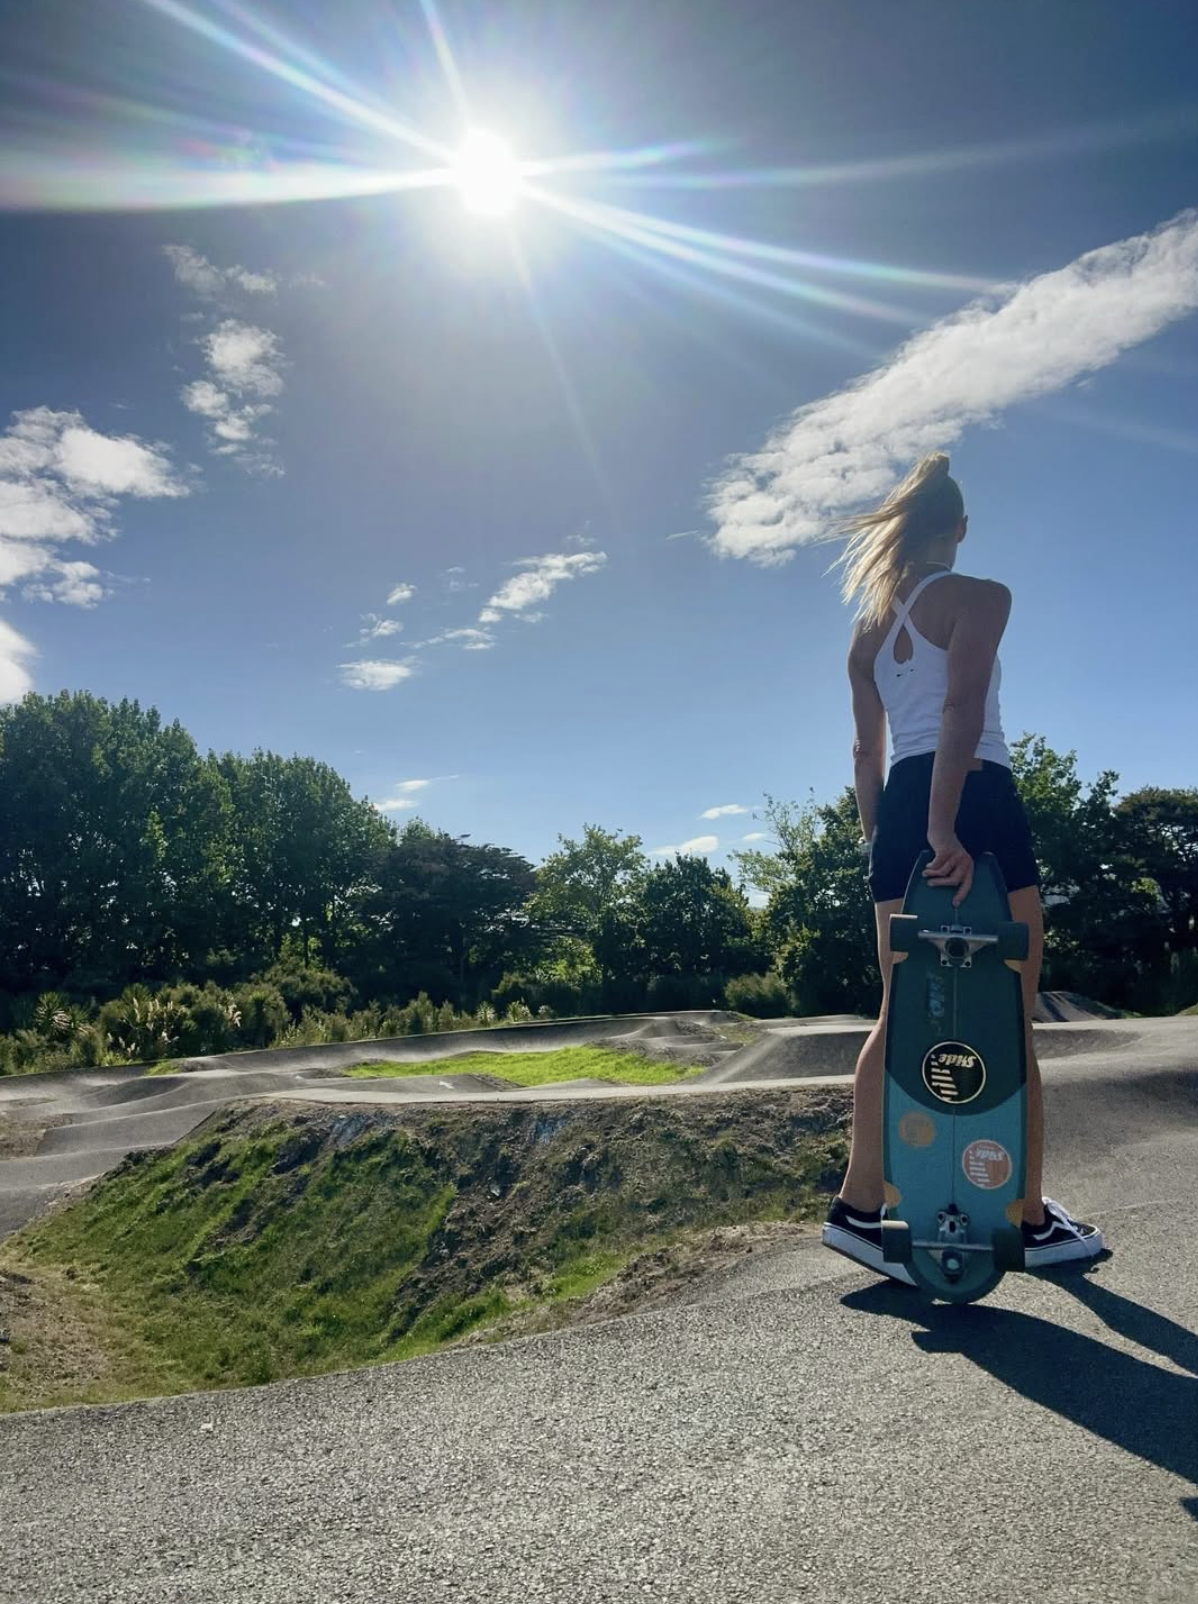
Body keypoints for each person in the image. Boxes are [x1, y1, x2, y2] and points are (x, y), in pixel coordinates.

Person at [820, 452, 1104, 1282]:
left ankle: (858, 1210)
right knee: (1012, 1012)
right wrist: (945, 826)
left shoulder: (866, 636)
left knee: (898, 1011)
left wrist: (886, 841)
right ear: (961, 529)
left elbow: (865, 753)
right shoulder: (981, 597)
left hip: (898, 813)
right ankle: (1028, 1217)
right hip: (973, 799)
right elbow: (962, 706)